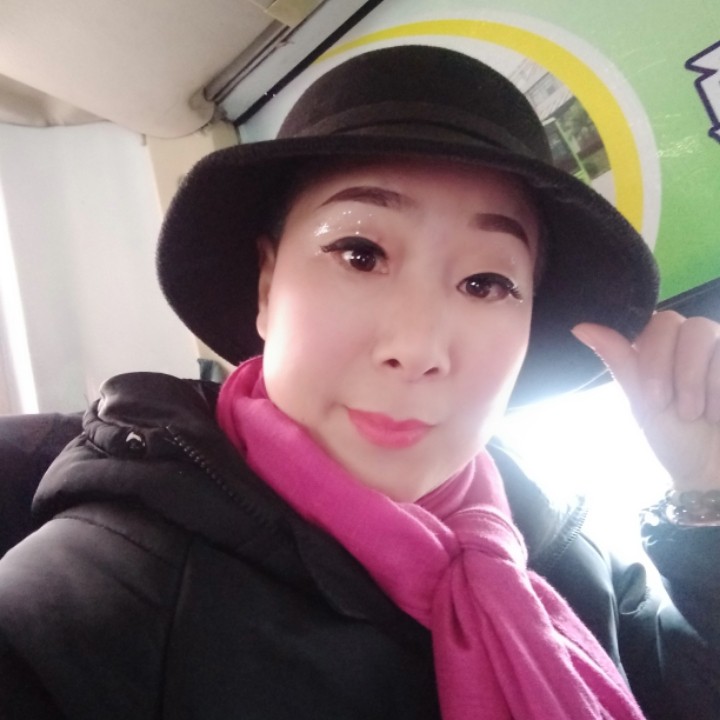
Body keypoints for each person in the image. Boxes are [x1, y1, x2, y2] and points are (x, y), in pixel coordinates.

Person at [0, 44, 718, 720]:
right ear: (267, 284)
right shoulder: (92, 607)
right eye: (360, 253)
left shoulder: (561, 544)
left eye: (485, 282)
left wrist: (708, 495)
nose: (418, 349)